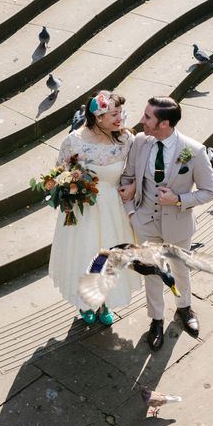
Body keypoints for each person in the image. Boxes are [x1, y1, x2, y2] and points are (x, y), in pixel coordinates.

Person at [120, 96, 213, 350]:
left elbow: (209, 191)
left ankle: (184, 308)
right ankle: (156, 320)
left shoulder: (194, 151)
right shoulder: (140, 142)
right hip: (145, 223)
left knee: (181, 270)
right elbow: (127, 177)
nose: (142, 120)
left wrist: (178, 199)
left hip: (178, 225)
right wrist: (132, 213)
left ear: (164, 124)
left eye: (148, 117)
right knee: (152, 273)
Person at [48, 91, 140, 325]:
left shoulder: (126, 139)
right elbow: (59, 172)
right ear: (98, 118)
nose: (120, 118)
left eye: (120, 113)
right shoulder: (73, 141)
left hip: (114, 209)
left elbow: (139, 171)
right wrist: (68, 189)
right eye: (114, 114)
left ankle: (106, 301)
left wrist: (133, 187)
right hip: (83, 210)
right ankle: (86, 302)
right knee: (84, 255)